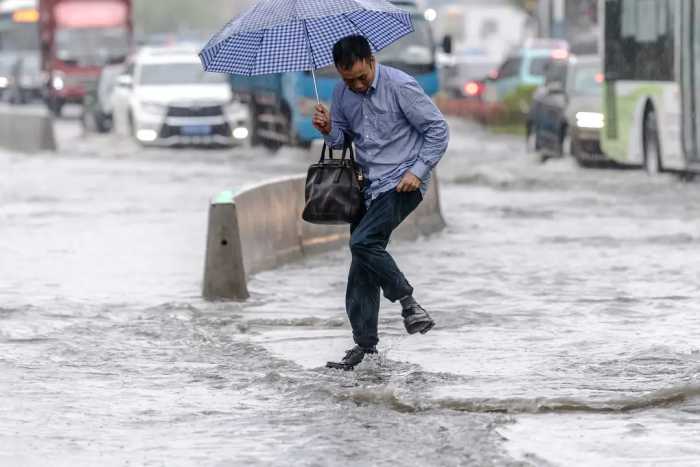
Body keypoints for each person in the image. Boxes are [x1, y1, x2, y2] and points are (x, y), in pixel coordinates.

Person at [313, 35, 449, 370]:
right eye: (349, 80)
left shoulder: (401, 86)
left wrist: (417, 171)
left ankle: (408, 303)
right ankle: (365, 348)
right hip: (367, 186)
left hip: (403, 184)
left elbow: (438, 130)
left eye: (362, 77)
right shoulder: (341, 92)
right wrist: (329, 128)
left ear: (372, 61)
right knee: (361, 263)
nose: (357, 85)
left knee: (363, 243)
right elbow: (343, 139)